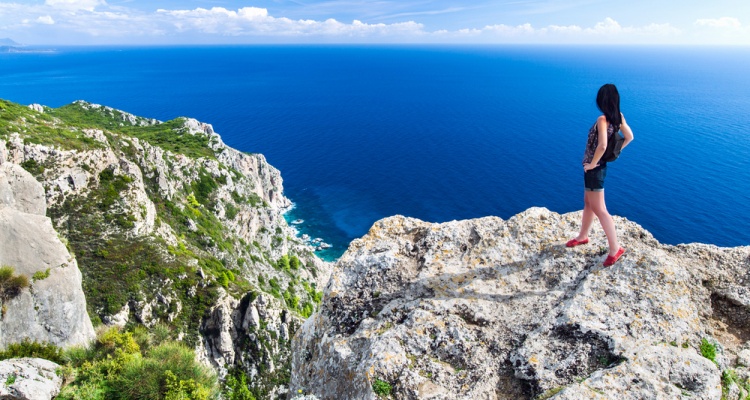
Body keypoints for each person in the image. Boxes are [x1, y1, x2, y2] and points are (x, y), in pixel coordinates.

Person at [566, 83, 634, 266]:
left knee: (600, 210)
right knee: (588, 203)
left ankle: (615, 249)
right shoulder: (619, 117)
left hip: (595, 170)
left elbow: (602, 145)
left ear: (601, 100)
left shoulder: (602, 120)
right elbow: (630, 137)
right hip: (597, 168)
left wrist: (593, 163)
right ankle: (583, 236)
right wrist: (615, 154)